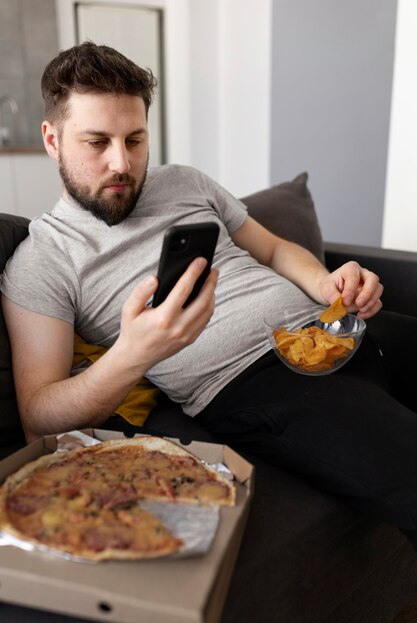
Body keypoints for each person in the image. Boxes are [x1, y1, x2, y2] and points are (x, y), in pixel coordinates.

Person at [1, 42, 417, 548]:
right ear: (52, 139)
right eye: (97, 142)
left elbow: (274, 249)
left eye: (135, 139)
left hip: (334, 330)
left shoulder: (184, 182)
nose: (122, 163)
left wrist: (325, 283)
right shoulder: (42, 260)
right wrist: (132, 355)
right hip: (256, 385)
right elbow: (37, 417)